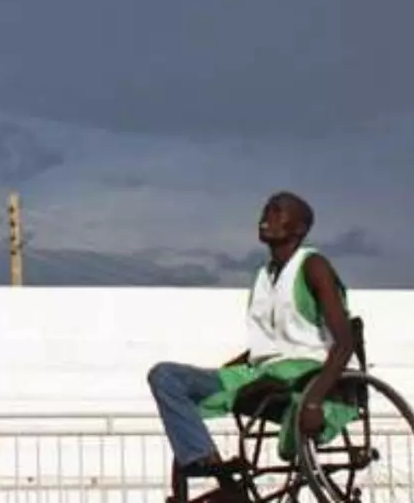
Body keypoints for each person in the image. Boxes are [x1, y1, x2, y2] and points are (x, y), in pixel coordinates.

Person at [146, 193, 355, 500]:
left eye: (276, 211)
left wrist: (314, 401)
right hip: (257, 372)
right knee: (165, 377)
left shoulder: (313, 266)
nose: (265, 215)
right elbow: (268, 344)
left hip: (304, 373)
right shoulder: (263, 275)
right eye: (265, 209)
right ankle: (209, 463)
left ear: (299, 228)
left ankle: (226, 487)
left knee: (260, 381)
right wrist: (225, 372)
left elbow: (345, 342)